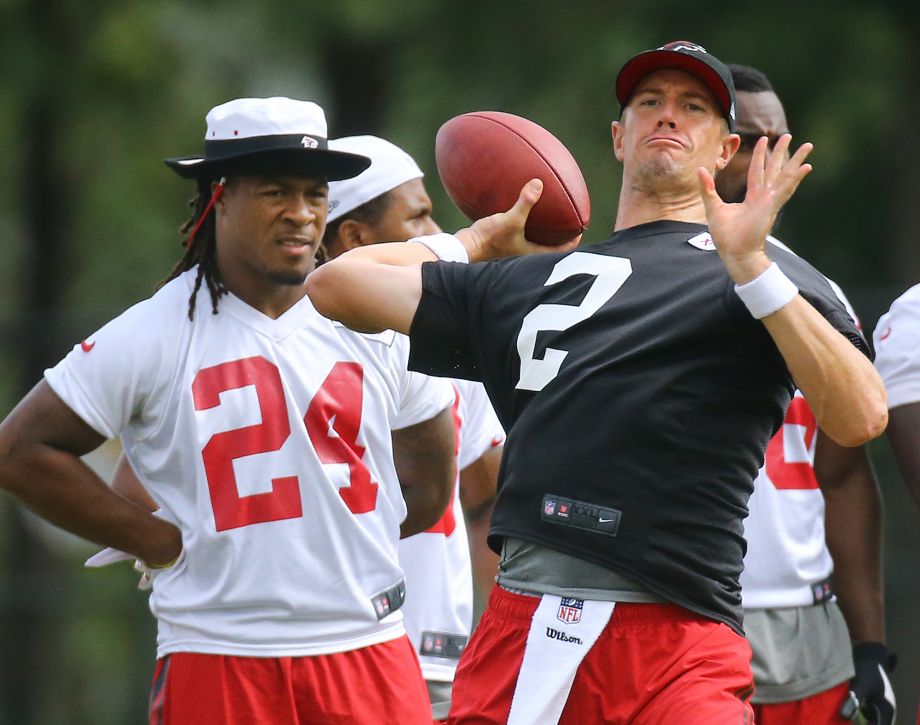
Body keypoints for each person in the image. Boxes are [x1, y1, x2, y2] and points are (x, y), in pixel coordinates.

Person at [305, 41, 888, 723]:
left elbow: (860, 416)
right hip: (524, 618)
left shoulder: (756, 275)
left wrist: (755, 269)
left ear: (726, 148)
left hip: (678, 631)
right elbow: (334, 284)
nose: (667, 116)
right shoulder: (533, 277)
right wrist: (474, 242)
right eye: (650, 103)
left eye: (692, 107)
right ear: (619, 137)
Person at [0, 97, 459, 725]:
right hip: (219, 652)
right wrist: (157, 542)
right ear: (219, 195)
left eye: (315, 194)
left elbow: (431, 488)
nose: (301, 214)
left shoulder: (369, 318)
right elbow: (19, 451)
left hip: (366, 646)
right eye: (276, 191)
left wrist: (333, 541)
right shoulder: (158, 331)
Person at [718, 64, 895, 725]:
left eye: (781, 139)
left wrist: (870, 642)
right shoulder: (641, 280)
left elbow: (845, 474)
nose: (768, 158)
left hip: (805, 621)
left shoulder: (817, 290)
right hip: (681, 605)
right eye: (748, 138)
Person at [323, 134, 506, 720]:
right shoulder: (292, 350)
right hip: (325, 643)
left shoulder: (452, 343)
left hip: (436, 652)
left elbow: (489, 502)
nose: (437, 230)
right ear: (354, 238)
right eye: (418, 215)